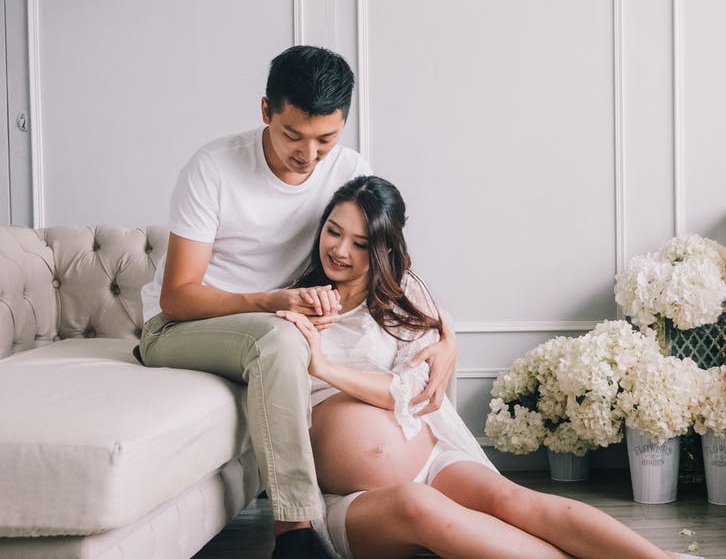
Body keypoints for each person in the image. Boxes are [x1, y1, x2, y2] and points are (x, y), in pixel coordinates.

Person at [137, 46, 458, 559]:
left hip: (271, 327)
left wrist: (448, 336)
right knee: (282, 338)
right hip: (178, 330)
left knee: (288, 338)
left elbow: (384, 263)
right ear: (266, 111)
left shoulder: (349, 168)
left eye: (325, 139)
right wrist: (270, 301)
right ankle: (293, 532)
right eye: (293, 135)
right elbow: (177, 296)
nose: (308, 155)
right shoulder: (213, 168)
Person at [276, 175, 688, 559]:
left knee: (516, 500)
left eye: (361, 243)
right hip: (346, 501)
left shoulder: (406, 296)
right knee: (420, 506)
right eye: (333, 231)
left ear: (384, 248)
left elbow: (411, 388)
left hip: (432, 462)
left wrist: (325, 367)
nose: (340, 250)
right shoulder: (294, 304)